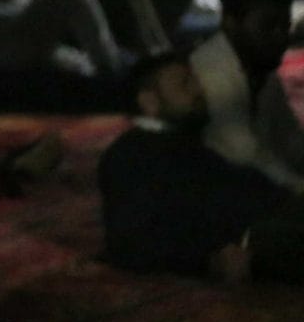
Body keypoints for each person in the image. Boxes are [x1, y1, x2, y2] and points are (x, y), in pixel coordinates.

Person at [101, 51, 304, 282]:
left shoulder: (183, 141)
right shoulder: (131, 154)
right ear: (150, 102)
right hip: (255, 238)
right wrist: (208, 260)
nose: (199, 91)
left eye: (195, 81)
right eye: (185, 84)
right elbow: (129, 240)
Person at [190, 0, 304, 190]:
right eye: (268, 26)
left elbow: (288, 136)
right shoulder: (209, 71)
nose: (281, 37)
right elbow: (245, 155)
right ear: (230, 24)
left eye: (285, 26)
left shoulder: (259, 62)